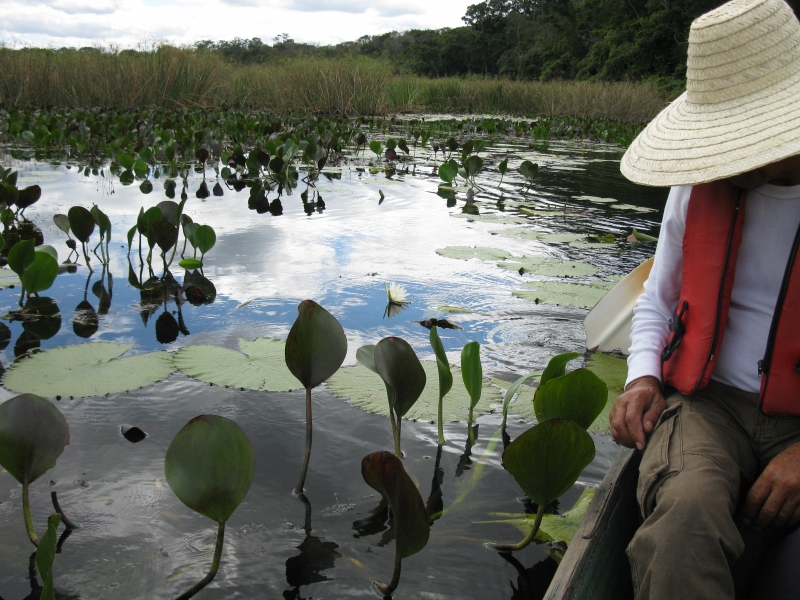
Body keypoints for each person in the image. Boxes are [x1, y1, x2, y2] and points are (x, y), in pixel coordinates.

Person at [609, 0, 800, 598]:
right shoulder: (697, 188)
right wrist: (643, 378)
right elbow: (658, 300)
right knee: (683, 521)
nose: (723, 159)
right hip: (709, 406)